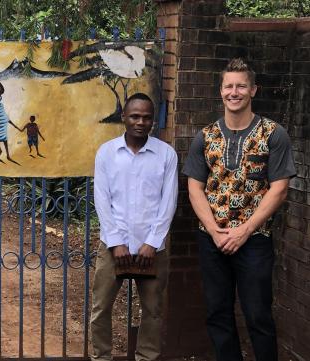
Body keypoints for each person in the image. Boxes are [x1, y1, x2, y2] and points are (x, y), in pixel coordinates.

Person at [183, 58, 296, 361]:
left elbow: (279, 188)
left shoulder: (273, 134)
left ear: (253, 90)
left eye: (241, 86)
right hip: (212, 239)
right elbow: (194, 186)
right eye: (229, 86)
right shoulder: (205, 137)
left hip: (255, 239)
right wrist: (214, 230)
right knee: (218, 313)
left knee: (258, 314)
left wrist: (243, 231)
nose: (234, 92)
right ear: (220, 91)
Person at [92, 93, 178, 361]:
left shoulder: (166, 154)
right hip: (112, 246)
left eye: (147, 117)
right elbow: (102, 199)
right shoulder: (107, 152)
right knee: (100, 308)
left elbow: (169, 201)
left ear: (153, 120)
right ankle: (101, 357)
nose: (141, 122)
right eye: (135, 116)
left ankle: (146, 357)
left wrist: (152, 242)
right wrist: (116, 242)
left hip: (152, 248)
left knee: (152, 311)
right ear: (124, 118)